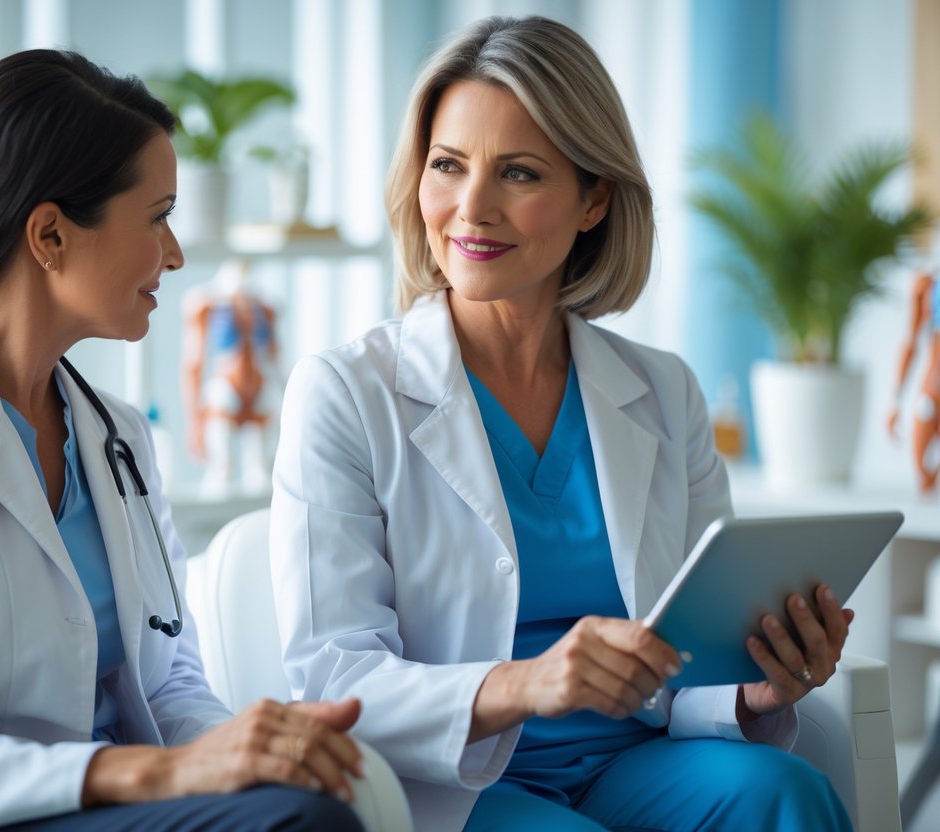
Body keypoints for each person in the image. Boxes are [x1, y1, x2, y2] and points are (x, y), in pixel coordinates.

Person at [269, 16, 853, 832]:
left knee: (787, 794)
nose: (470, 208)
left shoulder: (661, 389)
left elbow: (694, 647)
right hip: (460, 786)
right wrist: (526, 682)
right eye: (447, 165)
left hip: (636, 761)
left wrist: (758, 683)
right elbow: (328, 675)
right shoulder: (343, 392)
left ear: (593, 200)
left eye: (517, 173)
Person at [0, 50, 365, 832]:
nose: (176, 254)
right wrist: (163, 770)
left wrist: (237, 752)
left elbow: (167, 684)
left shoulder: (118, 441)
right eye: (157, 216)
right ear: (50, 235)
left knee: (305, 804)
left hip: (96, 806)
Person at [182, 256, 280, 495]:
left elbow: (276, 357)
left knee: (261, 472)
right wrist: (195, 419)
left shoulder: (264, 308)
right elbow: (194, 361)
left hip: (258, 383)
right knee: (221, 469)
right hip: (226, 382)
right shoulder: (208, 306)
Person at [887, 265, 940, 492]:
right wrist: (895, 402)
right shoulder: (927, 285)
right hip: (933, 388)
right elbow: (910, 342)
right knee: (922, 471)